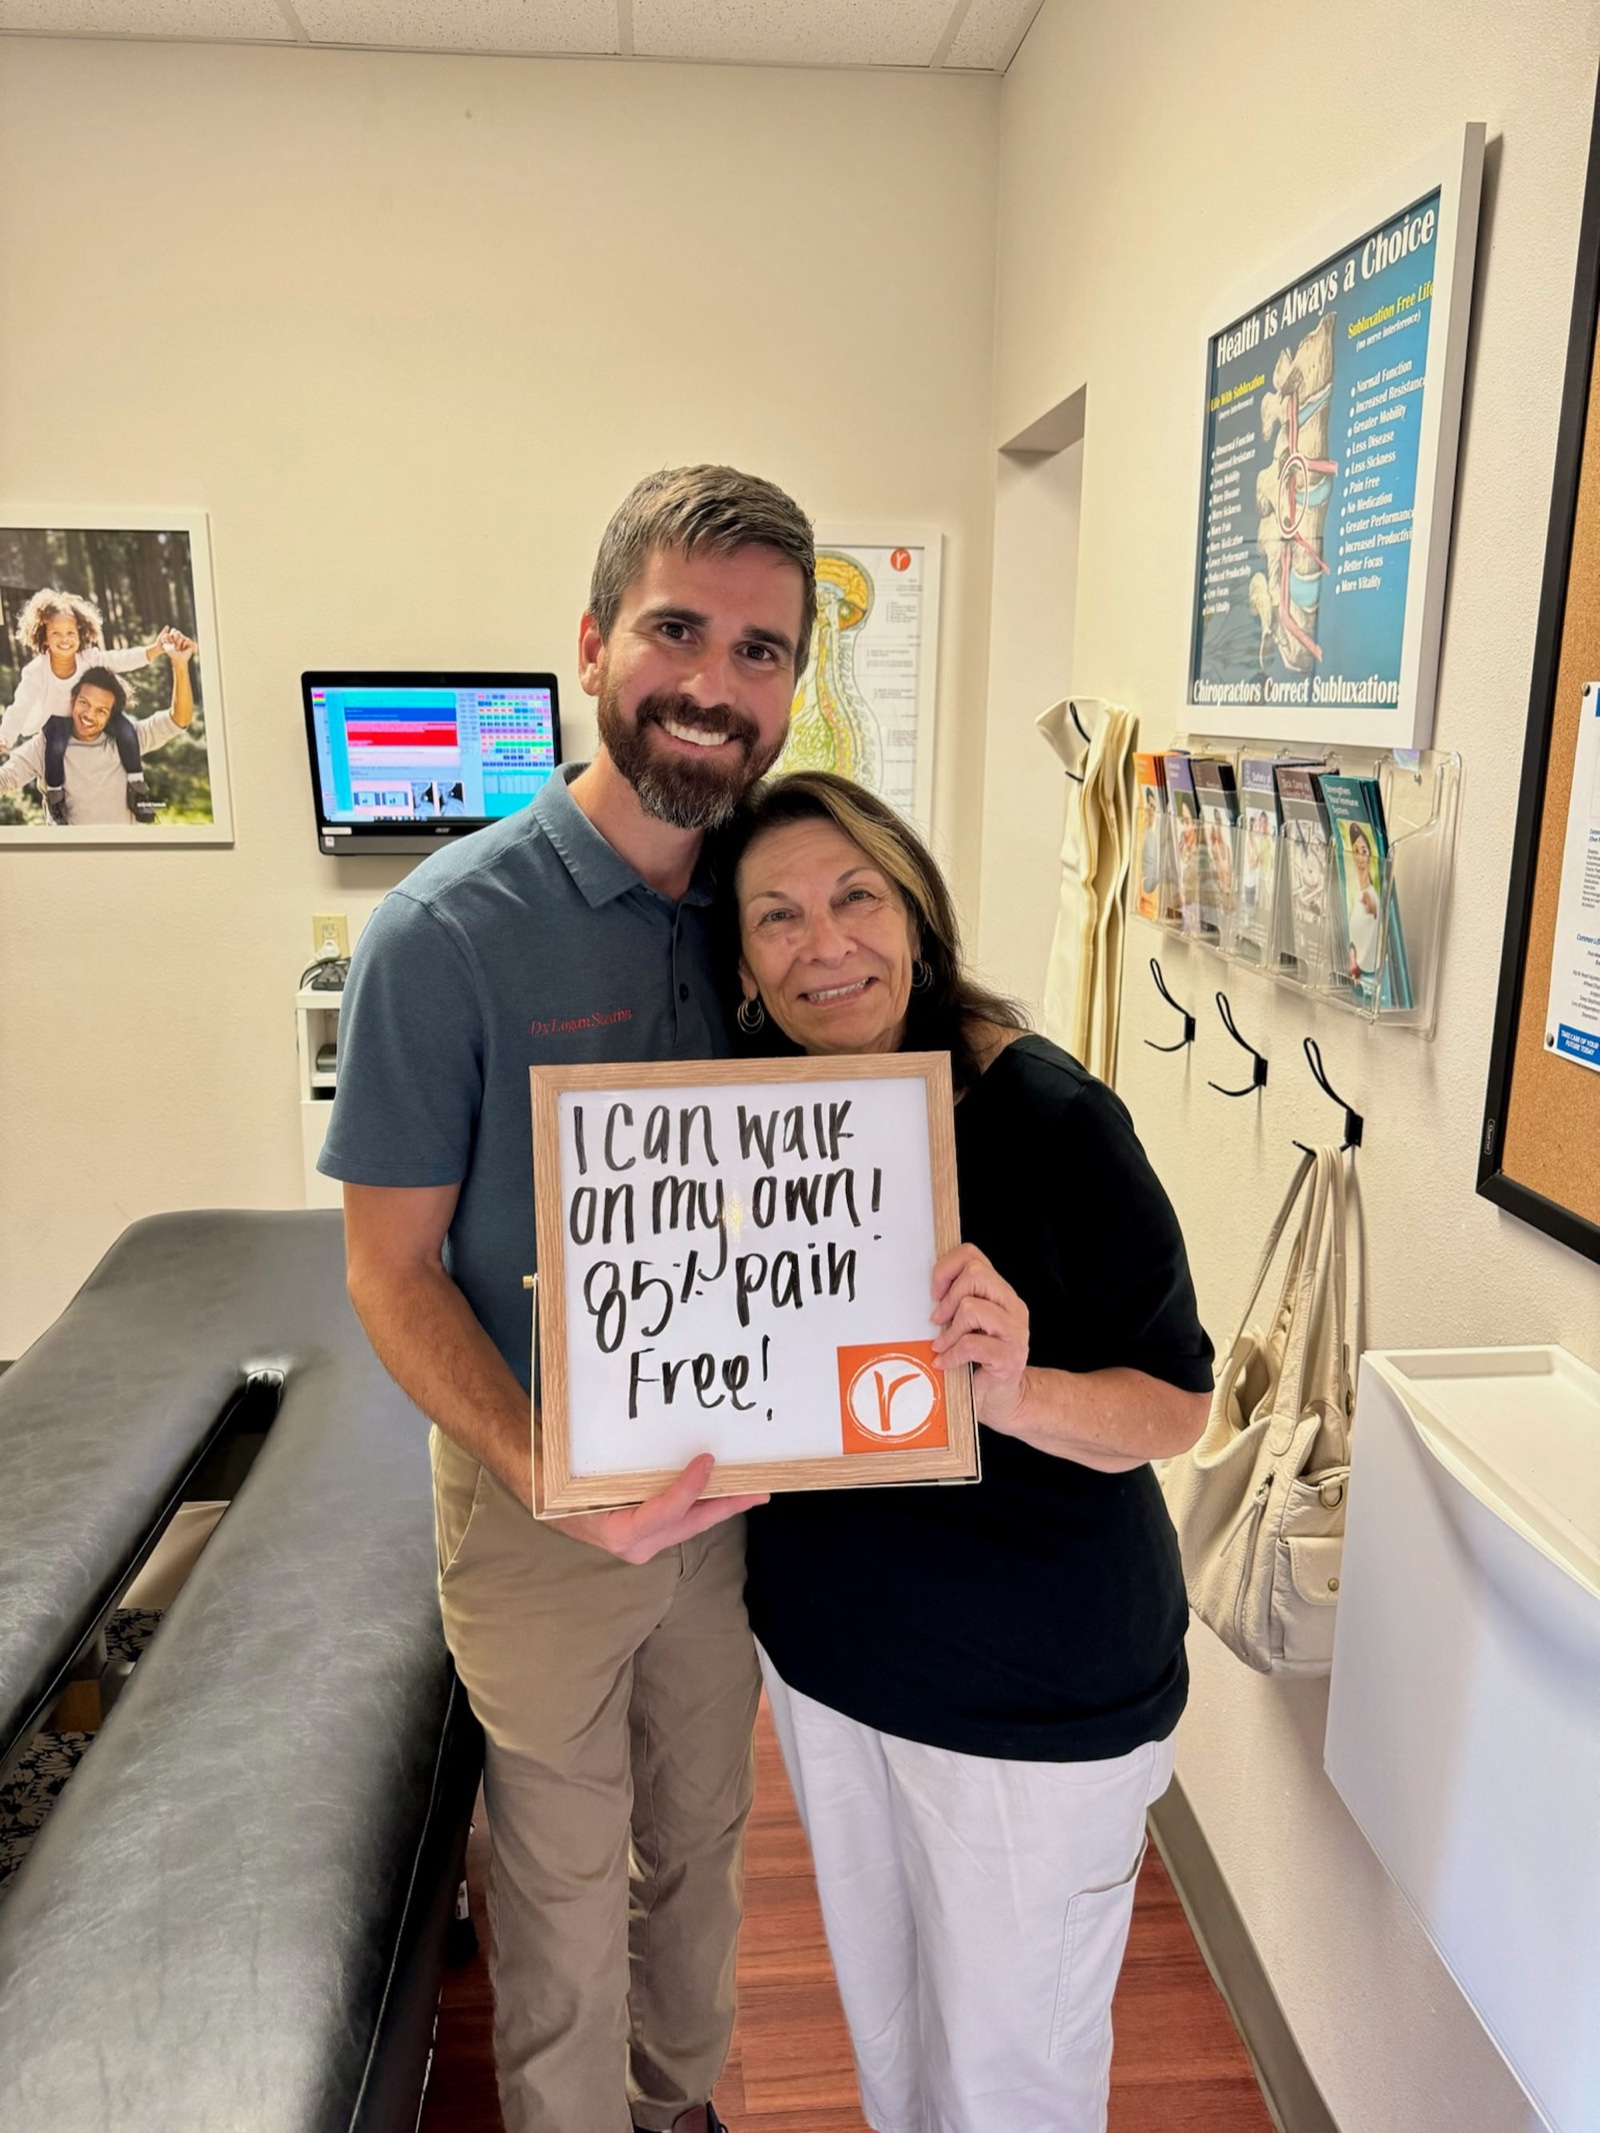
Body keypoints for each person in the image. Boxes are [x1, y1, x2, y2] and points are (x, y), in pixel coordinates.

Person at [318, 466, 817, 2133]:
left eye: (761, 651)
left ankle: (678, 2108)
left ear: (791, 689)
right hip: (539, 1500)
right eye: (678, 628)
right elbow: (388, 1272)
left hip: (732, 1486)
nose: (714, 679)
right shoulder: (445, 935)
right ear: (596, 644)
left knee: (702, 1839)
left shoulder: (777, 911)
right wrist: (547, 1470)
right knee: (552, 1868)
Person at [722, 770, 1212, 2133]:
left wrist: (1015, 1386)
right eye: (777, 918)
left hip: (1030, 1708)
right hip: (830, 1670)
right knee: (894, 2042)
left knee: (1012, 2080)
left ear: (917, 914)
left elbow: (1177, 1409)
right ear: (744, 963)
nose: (826, 945)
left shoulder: (1051, 1122)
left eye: (855, 897)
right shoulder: (747, 1117)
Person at [1, 588, 173, 823]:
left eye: (71, 632)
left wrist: (152, 651)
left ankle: (137, 788)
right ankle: (56, 798)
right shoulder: (36, 672)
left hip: (88, 715)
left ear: (81, 634)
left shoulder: (89, 658)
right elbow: (20, 706)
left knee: (126, 729)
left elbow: (118, 659)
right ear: (43, 637)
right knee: (56, 743)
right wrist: (5, 737)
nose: (65, 639)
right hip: (56, 722)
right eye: (56, 633)